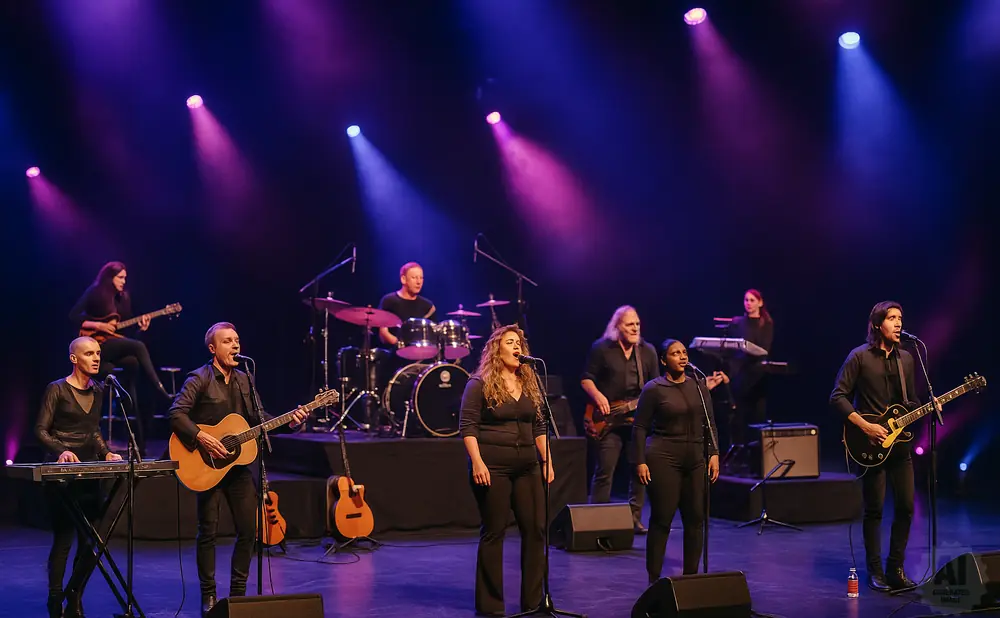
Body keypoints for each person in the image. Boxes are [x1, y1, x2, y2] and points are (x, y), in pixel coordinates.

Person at [168, 322, 309, 616]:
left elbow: (261, 417)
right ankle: (208, 595)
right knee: (208, 532)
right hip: (204, 465)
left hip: (237, 467)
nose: (235, 346)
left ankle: (237, 595)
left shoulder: (246, 379)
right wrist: (201, 437)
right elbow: (176, 414)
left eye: (237, 340)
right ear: (213, 349)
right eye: (228, 341)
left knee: (249, 529)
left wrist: (292, 421)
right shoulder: (199, 378)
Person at [830, 301, 930, 592]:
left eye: (901, 317)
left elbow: (910, 401)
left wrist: (924, 409)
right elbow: (838, 397)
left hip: (899, 447)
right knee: (874, 509)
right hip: (869, 443)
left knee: (906, 507)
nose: (899, 323)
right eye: (892, 318)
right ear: (877, 324)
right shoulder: (859, 357)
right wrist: (866, 426)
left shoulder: (908, 359)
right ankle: (875, 572)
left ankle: (895, 568)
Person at [459, 324, 554, 616]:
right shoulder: (479, 383)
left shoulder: (530, 380)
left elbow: (539, 424)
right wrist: (477, 462)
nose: (517, 348)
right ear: (496, 349)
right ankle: (491, 605)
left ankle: (533, 601)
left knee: (536, 529)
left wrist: (547, 459)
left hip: (527, 465)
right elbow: (468, 426)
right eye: (510, 342)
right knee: (494, 531)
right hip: (493, 465)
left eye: (520, 343)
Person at [35, 336, 123, 618]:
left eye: (98, 353)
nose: (96, 358)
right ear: (74, 358)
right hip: (62, 475)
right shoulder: (57, 390)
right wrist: (62, 451)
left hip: (88, 473)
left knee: (92, 540)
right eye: (89, 353)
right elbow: (41, 430)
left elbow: (93, 430)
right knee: (64, 539)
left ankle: (75, 593)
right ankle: (54, 598)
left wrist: (107, 453)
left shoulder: (98, 390)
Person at [634, 339, 726, 583]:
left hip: (696, 457)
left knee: (695, 518)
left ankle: (690, 580)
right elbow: (640, 427)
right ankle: (653, 579)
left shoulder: (699, 386)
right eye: (675, 354)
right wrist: (640, 460)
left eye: (684, 352)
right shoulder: (654, 389)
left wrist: (714, 453)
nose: (682, 357)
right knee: (662, 518)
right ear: (664, 360)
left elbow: (710, 424)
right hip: (664, 456)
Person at [69, 261, 172, 455]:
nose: (124, 281)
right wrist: (99, 326)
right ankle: (161, 391)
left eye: (125, 277)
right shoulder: (95, 291)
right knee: (138, 348)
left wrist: (141, 328)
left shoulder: (124, 298)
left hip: (114, 348)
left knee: (132, 364)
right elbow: (73, 315)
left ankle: (139, 445)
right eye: (121, 277)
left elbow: (128, 337)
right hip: (97, 346)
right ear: (110, 277)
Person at [581, 305, 659, 533]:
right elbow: (586, 378)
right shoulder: (602, 348)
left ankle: (634, 519)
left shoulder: (647, 351)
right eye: (629, 324)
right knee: (605, 469)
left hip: (636, 420)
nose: (635, 328)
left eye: (637, 323)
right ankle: (595, 519)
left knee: (639, 470)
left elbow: (655, 386)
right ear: (617, 327)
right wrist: (598, 396)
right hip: (608, 420)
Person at [727, 288, 774, 448]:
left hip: (758, 374)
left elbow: (764, 349)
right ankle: (739, 452)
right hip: (740, 373)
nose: (748, 303)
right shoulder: (737, 322)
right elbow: (730, 348)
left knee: (757, 414)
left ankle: (757, 453)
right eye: (746, 300)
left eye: (752, 300)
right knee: (738, 415)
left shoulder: (766, 323)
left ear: (760, 303)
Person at [377, 261, 436, 347]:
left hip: (420, 354)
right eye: (414, 278)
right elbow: (383, 333)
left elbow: (433, 336)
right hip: (394, 353)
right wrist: (402, 345)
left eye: (421, 278)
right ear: (403, 279)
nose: (419, 282)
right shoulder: (389, 301)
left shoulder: (428, 306)